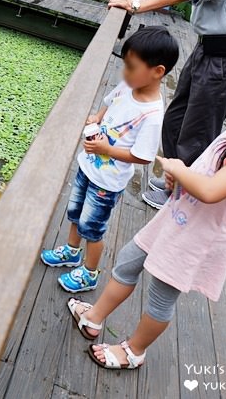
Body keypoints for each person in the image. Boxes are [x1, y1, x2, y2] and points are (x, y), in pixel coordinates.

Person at [66, 36, 226, 370]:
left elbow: (213, 190)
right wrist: (182, 181)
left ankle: (134, 350)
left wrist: (177, 168)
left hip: (196, 237)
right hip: (178, 215)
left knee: (160, 296)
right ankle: (96, 316)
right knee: (128, 261)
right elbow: (210, 171)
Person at [108, 0, 226, 209]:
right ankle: (176, 179)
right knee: (175, 119)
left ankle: (180, 194)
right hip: (205, 47)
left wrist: (136, 4)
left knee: (198, 130)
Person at [40, 26, 179, 293]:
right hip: (88, 167)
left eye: (131, 67)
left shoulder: (151, 114)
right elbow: (108, 101)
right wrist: (98, 117)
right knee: (75, 214)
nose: (124, 73)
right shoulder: (128, 85)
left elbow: (142, 156)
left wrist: (106, 150)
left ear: (157, 71)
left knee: (92, 228)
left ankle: (90, 273)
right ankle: (71, 251)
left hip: (107, 182)